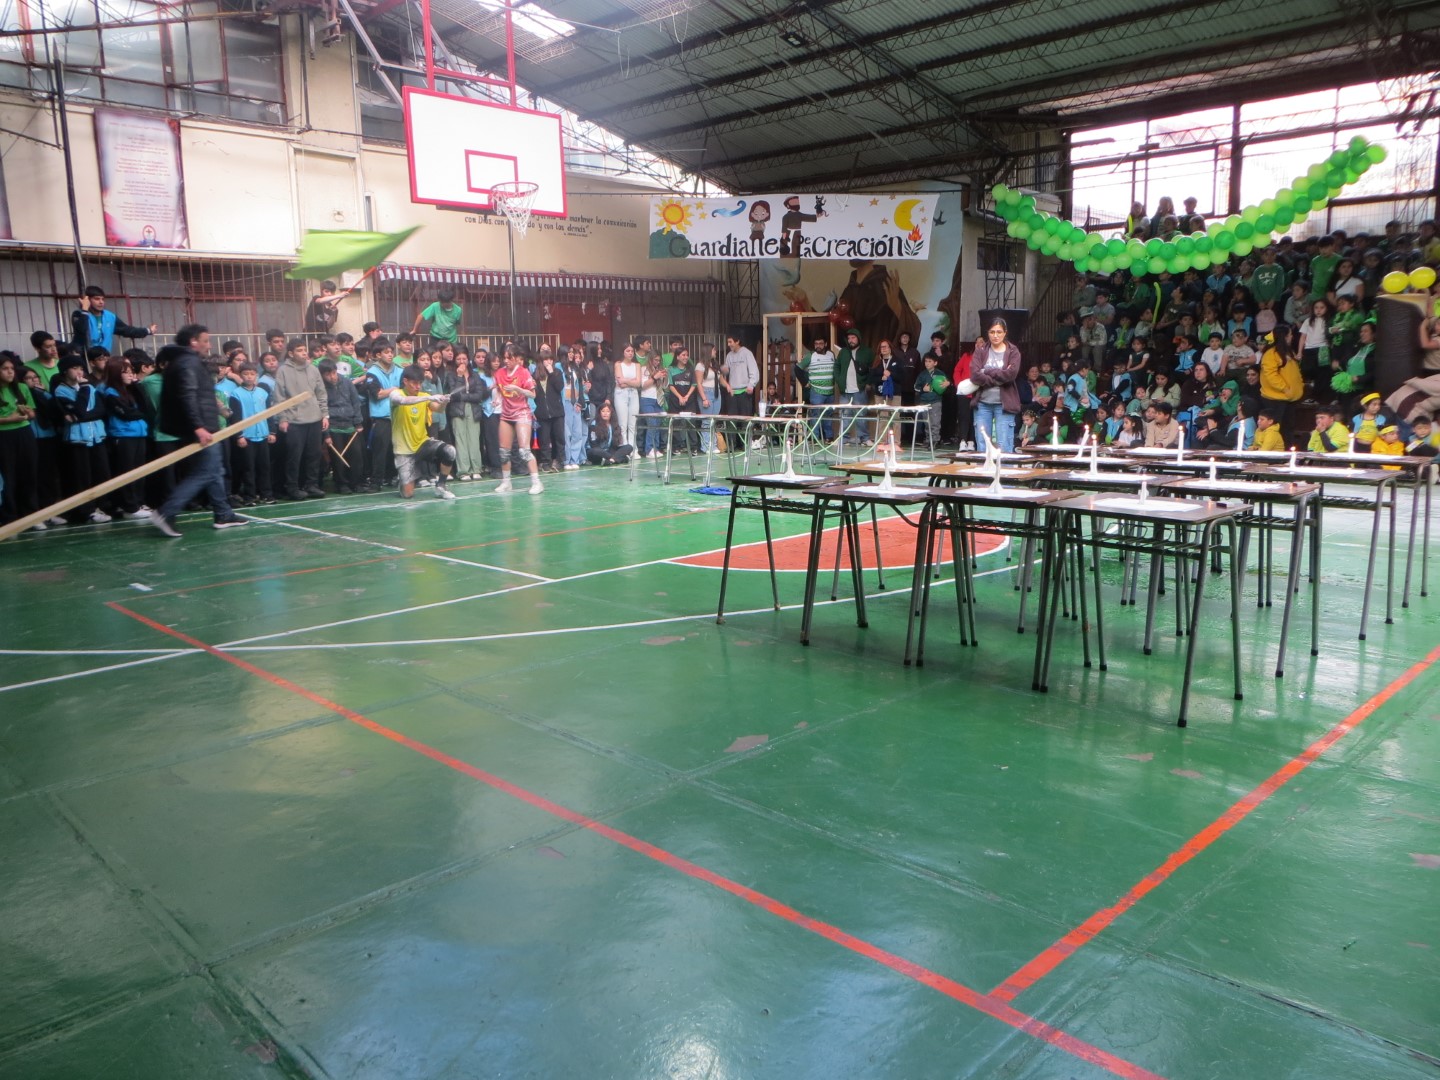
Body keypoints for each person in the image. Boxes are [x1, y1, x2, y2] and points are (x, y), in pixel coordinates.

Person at [152, 325, 246, 536]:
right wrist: (198, 427)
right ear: (193, 341)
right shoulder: (188, 363)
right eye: (205, 341)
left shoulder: (184, 361)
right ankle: (166, 512)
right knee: (207, 471)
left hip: (200, 425)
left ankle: (223, 514)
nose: (208, 345)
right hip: (199, 427)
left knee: (214, 469)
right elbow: (188, 395)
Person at [381, 365, 456, 500]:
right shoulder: (396, 394)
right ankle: (402, 480)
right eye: (414, 383)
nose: (418, 387)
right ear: (405, 381)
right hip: (404, 450)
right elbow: (402, 401)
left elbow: (439, 409)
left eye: (420, 383)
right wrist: (429, 398)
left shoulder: (424, 396)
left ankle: (441, 486)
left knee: (450, 451)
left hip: (422, 443)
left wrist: (444, 402)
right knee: (408, 494)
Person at [274, 338, 329, 500]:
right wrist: (283, 418)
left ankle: (311, 485)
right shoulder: (283, 370)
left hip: (315, 418)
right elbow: (279, 397)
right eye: (299, 350)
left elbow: (321, 393)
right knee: (294, 457)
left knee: (314, 454)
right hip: (294, 420)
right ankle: (292, 487)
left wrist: (324, 414)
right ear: (291, 353)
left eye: (305, 350)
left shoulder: (313, 369)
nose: (304, 353)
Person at [958, 318, 1021, 453]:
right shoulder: (980, 350)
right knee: (982, 445)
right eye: (992, 332)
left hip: (1004, 405)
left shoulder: (1013, 351)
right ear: (988, 333)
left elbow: (1011, 375)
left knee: (1004, 446)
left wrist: (985, 371)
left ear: (1005, 333)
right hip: (982, 404)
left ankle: (1002, 468)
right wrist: (1000, 374)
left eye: (999, 332)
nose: (995, 335)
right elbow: (975, 375)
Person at [98, 355, 150, 519]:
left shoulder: (128, 391)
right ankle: (129, 506)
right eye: (125, 372)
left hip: (139, 434)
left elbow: (145, 406)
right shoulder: (110, 392)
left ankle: (138, 502)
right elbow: (126, 413)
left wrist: (136, 385)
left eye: (130, 371)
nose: (130, 375)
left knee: (140, 470)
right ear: (116, 374)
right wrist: (140, 414)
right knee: (127, 471)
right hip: (123, 436)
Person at [494, 347, 543, 494]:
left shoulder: (523, 372)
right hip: (506, 414)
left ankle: (537, 482)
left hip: (521, 413)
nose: (506, 361)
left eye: (509, 358)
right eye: (504, 358)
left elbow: (533, 394)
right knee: (504, 452)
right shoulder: (500, 373)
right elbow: (499, 389)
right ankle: (506, 482)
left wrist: (519, 389)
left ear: (516, 358)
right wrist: (497, 399)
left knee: (524, 451)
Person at [0, 352, 40, 529]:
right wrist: (8, 419)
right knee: (8, 476)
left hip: (24, 432)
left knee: (29, 472)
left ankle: (31, 514)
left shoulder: (22, 388)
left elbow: (33, 413)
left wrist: (28, 413)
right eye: (5, 369)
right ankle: (10, 517)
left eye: (12, 369)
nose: (10, 372)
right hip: (3, 435)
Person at [230, 362, 277, 505]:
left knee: (265, 466)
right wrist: (239, 435)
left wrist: (272, 432)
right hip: (247, 436)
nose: (249, 377)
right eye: (245, 374)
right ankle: (250, 496)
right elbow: (235, 417)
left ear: (256, 375)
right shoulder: (236, 394)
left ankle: (266, 494)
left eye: (252, 374)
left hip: (262, 434)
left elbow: (269, 413)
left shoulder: (263, 392)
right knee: (248, 468)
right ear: (240, 375)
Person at [363, 339, 404, 490]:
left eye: (391, 352)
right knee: (380, 451)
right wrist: (393, 389)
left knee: (397, 449)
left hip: (398, 415)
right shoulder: (372, 373)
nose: (390, 355)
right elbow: (376, 394)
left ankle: (393, 477)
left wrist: (387, 391)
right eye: (386, 352)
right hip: (381, 417)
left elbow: (404, 390)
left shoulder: (400, 370)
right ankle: (376, 481)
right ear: (378, 355)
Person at [319, 361, 363, 492]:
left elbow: (355, 402)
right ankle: (341, 484)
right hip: (333, 426)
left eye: (334, 373)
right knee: (338, 459)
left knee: (356, 455)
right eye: (328, 375)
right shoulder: (320, 387)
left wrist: (358, 422)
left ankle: (356, 483)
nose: (332, 377)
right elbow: (322, 410)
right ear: (322, 375)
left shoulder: (347, 382)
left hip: (350, 424)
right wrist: (326, 434)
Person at [70, 286, 156, 353]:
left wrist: (147, 330)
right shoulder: (79, 314)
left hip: (103, 357)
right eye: (97, 299)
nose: (101, 302)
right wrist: (85, 310)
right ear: (88, 300)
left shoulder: (110, 317)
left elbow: (126, 330)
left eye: (103, 299)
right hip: (83, 356)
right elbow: (82, 330)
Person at [442, 353, 486, 480]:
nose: (462, 361)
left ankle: (476, 469)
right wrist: (460, 376)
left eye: (464, 359)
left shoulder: (475, 375)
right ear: (455, 361)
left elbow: (479, 395)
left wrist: (463, 397)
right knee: (460, 440)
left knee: (474, 439)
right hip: (457, 410)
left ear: (468, 360)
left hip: (473, 409)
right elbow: (454, 393)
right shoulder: (450, 375)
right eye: (458, 359)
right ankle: (463, 471)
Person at [796, 333, 837, 442]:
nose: (818, 346)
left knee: (828, 415)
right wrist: (805, 383)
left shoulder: (831, 354)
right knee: (816, 415)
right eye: (816, 344)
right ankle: (815, 438)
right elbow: (798, 369)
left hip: (830, 391)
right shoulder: (810, 355)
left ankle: (829, 437)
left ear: (826, 344)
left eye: (820, 343)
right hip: (816, 391)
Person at [532, 347, 568, 473]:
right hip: (542, 412)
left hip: (557, 411)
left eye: (551, 359)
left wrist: (551, 373)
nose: (549, 362)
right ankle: (545, 462)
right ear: (541, 361)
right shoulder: (535, 375)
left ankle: (560, 460)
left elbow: (559, 387)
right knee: (544, 439)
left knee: (559, 437)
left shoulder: (557, 372)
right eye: (546, 360)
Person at [913, 351, 949, 449]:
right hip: (924, 401)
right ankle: (928, 440)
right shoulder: (922, 374)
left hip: (936, 401)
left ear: (935, 363)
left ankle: (935, 440)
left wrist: (947, 383)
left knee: (935, 422)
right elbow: (915, 386)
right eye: (926, 361)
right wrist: (923, 389)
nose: (927, 363)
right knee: (926, 422)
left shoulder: (940, 373)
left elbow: (946, 383)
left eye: (930, 361)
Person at [612, 344, 643, 453]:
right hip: (621, 394)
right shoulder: (618, 364)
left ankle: (633, 449)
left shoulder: (637, 365)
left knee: (633, 423)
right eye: (628, 351)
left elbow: (638, 383)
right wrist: (632, 380)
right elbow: (620, 384)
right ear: (623, 352)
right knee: (622, 424)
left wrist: (626, 380)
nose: (630, 353)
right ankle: (624, 449)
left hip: (634, 394)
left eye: (632, 351)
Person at [586, 401, 632, 466]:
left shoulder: (614, 424)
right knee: (595, 451)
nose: (605, 413)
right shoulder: (594, 424)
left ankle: (609, 460)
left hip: (609, 451)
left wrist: (610, 454)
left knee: (629, 447)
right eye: (603, 411)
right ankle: (619, 459)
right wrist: (608, 455)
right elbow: (593, 444)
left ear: (611, 413)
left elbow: (615, 445)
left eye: (608, 411)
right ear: (599, 413)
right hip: (597, 451)